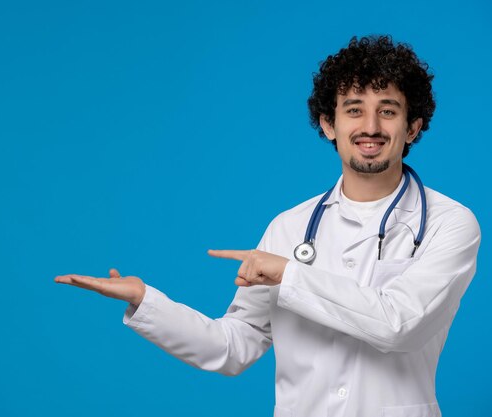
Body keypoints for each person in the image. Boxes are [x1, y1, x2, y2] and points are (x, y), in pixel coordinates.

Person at [55, 35, 480, 417]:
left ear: (413, 127)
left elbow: (399, 325)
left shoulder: (449, 224)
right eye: (354, 111)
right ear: (329, 124)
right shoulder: (290, 227)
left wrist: (289, 274)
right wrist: (147, 301)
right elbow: (232, 347)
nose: (370, 127)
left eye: (387, 111)